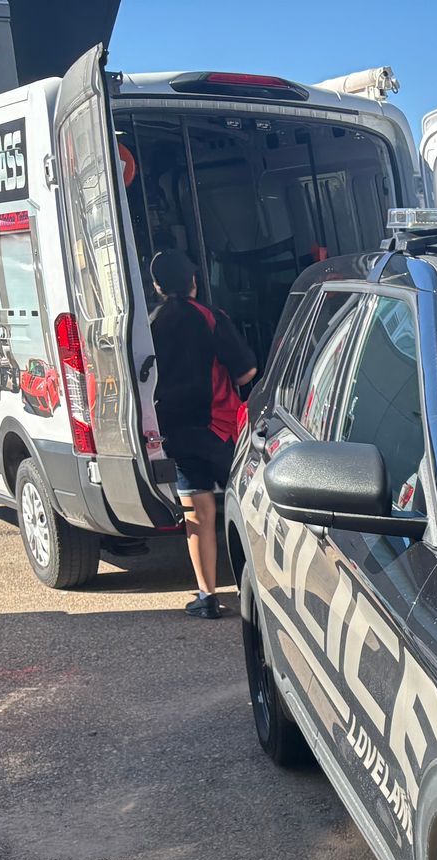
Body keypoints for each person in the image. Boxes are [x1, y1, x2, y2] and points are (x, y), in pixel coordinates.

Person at [147, 251, 257, 618]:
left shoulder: (150, 325)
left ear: (157, 287)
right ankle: (264, 589)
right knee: (249, 506)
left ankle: (207, 597)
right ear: (193, 281)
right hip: (220, 429)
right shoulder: (212, 318)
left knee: (199, 512)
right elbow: (246, 372)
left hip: (176, 432)